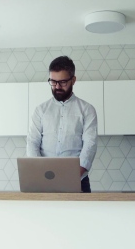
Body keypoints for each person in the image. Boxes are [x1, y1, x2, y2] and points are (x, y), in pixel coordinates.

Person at [26, 56, 98, 193]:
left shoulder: (87, 110)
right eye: (53, 82)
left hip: (78, 181)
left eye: (63, 82)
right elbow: (32, 142)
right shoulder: (40, 110)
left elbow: (90, 144)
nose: (57, 86)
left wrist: (71, 177)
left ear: (73, 80)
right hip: (44, 180)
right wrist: (40, 173)